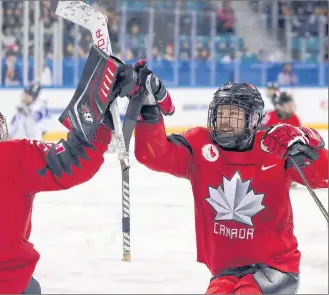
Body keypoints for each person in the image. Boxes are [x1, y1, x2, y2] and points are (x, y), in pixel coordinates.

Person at [0, 45, 137, 294]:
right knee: (29, 286)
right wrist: (99, 115)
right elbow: (75, 162)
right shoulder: (11, 156)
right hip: (0, 287)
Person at [130, 60, 328, 294]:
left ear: (253, 119)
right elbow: (153, 155)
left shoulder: (272, 146)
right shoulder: (199, 145)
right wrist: (148, 110)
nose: (225, 120)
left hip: (275, 268)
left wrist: (306, 139)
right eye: (222, 112)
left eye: (234, 113)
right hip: (225, 272)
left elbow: (324, 176)